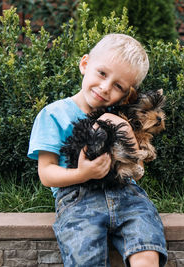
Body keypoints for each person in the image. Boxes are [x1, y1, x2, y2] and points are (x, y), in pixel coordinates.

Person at [28, 33, 167, 267]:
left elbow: (137, 169)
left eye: (118, 86)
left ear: (127, 95)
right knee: (85, 255)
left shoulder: (121, 117)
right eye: (102, 73)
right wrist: (83, 173)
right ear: (85, 64)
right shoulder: (54, 114)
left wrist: (123, 128)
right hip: (78, 199)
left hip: (126, 194)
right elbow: (46, 173)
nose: (105, 87)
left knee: (146, 245)